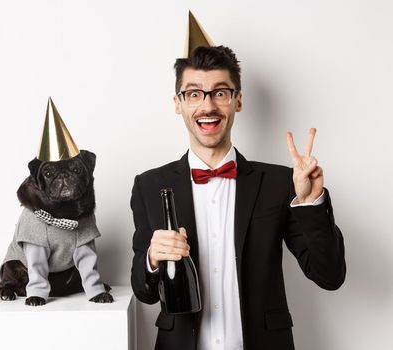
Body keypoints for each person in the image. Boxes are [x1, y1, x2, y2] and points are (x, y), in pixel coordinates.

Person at [129, 43, 346, 350]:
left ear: (237, 101)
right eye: (194, 94)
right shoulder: (149, 185)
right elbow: (144, 292)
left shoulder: (279, 182)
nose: (208, 107)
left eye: (220, 92)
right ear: (178, 103)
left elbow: (330, 276)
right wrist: (152, 258)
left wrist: (310, 202)